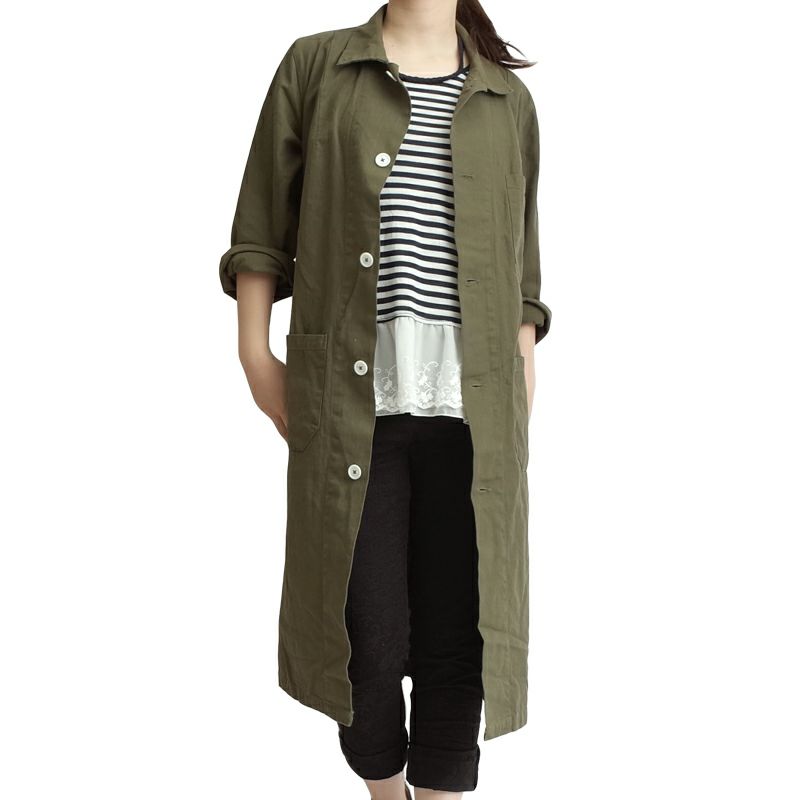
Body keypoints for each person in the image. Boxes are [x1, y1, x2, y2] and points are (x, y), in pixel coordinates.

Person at [218, 1, 552, 798]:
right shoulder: (317, 67)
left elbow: (522, 268)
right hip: (350, 405)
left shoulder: (506, 99)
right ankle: (385, 790)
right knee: (360, 640)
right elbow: (262, 223)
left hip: (474, 411)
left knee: (459, 640)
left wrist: (523, 381)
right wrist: (255, 357)